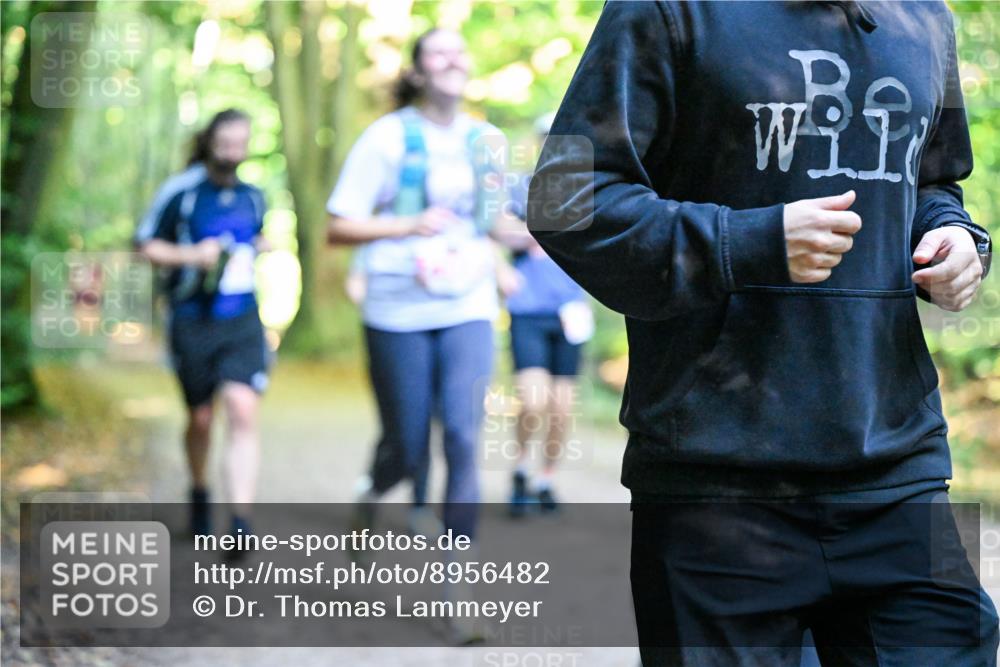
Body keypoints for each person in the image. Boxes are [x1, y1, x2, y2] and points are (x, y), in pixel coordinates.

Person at [529, 2, 998, 665]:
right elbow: (565, 199)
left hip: (896, 467)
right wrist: (744, 241)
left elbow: (931, 180)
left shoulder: (925, 18)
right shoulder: (665, 10)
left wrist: (952, 236)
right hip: (715, 486)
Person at [325, 28, 506, 584]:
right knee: (406, 445)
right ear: (419, 72)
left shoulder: (488, 140)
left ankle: (457, 579)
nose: (453, 58)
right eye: (438, 52)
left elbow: (497, 224)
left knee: (461, 433)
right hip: (395, 309)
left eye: (460, 49)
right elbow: (337, 228)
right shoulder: (385, 139)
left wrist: (550, 235)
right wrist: (407, 223)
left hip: (468, 303)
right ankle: (372, 491)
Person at [135, 109, 270, 553]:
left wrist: (258, 248)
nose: (233, 150)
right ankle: (198, 491)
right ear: (210, 142)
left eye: (241, 142)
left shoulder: (255, 196)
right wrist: (193, 257)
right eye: (225, 142)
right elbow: (144, 246)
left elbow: (258, 238)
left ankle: (240, 522)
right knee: (201, 417)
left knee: (242, 408)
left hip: (243, 320)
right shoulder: (183, 192)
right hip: (192, 320)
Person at [497, 112, 591, 517]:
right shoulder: (520, 185)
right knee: (532, 402)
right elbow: (499, 230)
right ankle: (520, 468)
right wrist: (546, 230)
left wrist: (533, 230)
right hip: (528, 312)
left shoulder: (583, 190)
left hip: (570, 312)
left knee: (562, 408)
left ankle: (546, 477)